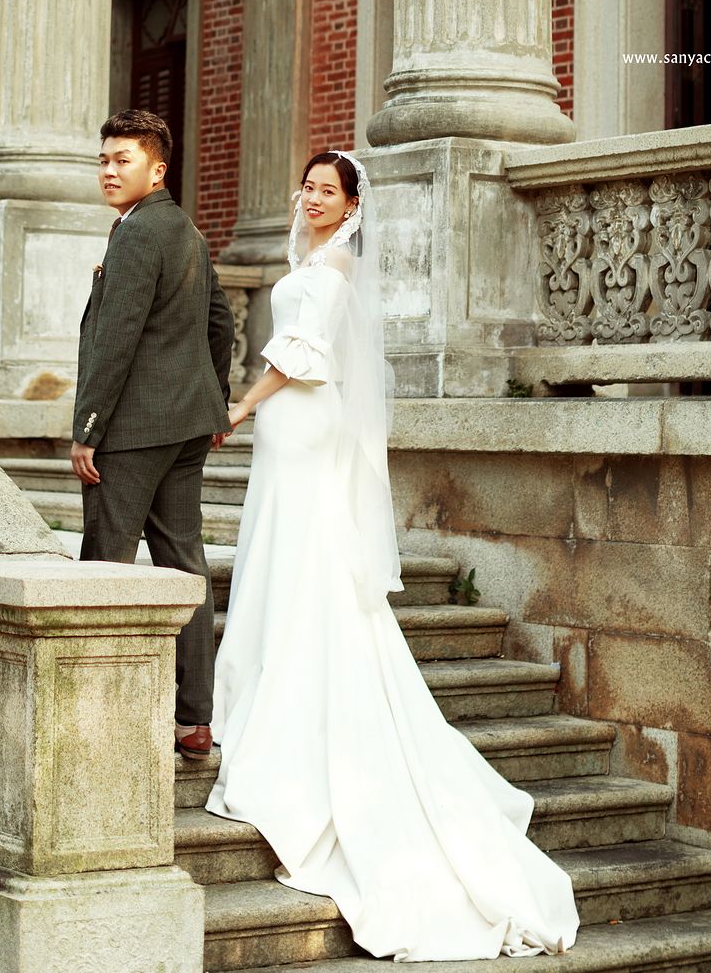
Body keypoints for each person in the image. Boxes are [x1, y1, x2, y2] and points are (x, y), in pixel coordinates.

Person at [206, 149, 580, 961]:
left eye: (326, 190)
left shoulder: (336, 267)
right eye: (306, 186)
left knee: (303, 560)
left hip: (303, 423)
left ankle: (284, 700)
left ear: (351, 207)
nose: (311, 197)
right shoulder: (311, 258)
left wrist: (237, 406)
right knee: (281, 554)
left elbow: (302, 353)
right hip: (291, 428)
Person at [71, 108, 234, 760]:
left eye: (124, 160)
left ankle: (95, 715)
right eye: (104, 160)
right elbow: (220, 323)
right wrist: (211, 400)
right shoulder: (186, 230)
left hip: (134, 429)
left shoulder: (138, 233)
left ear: (157, 168)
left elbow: (114, 340)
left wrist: (88, 428)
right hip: (186, 424)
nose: (109, 171)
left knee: (104, 565)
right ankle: (194, 720)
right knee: (184, 565)